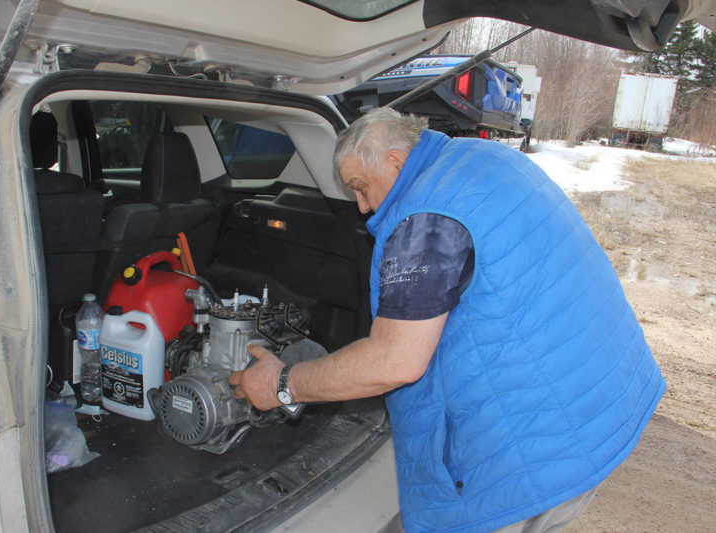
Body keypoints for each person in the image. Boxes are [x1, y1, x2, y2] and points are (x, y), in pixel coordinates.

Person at [229, 107, 665, 532]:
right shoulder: (484, 157)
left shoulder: (426, 222)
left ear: (397, 160)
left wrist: (283, 383)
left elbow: (393, 361)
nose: (362, 207)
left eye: (361, 187)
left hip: (527, 453)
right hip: (600, 403)